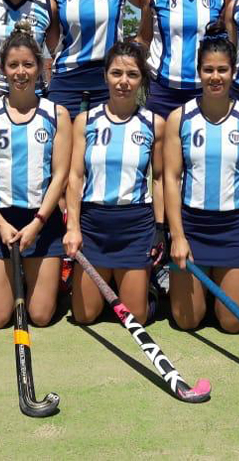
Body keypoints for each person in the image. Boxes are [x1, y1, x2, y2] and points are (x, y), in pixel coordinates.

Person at [0, 22, 71, 327]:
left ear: (39, 68)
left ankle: (50, 285)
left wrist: (38, 224)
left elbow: (60, 174)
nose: (20, 72)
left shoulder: (57, 114)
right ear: (3, 69)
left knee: (39, 316)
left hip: (42, 220)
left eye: (27, 64)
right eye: (13, 65)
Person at [165, 21, 239, 332]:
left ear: (233, 71)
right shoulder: (179, 118)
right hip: (191, 227)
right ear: (199, 71)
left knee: (233, 324)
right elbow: (170, 178)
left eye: (222, 70)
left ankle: (223, 287)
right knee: (187, 322)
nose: (215, 77)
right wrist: (178, 236)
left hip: (232, 229)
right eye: (208, 70)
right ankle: (178, 281)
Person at [63, 41, 163, 324]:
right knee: (84, 315)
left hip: (135, 225)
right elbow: (75, 176)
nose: (123, 81)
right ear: (105, 75)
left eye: (132, 74)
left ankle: (148, 288)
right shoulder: (85, 121)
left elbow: (158, 179)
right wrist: (73, 227)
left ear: (141, 79)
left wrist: (160, 228)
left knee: (136, 318)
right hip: (94, 225)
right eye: (116, 73)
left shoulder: (155, 123)